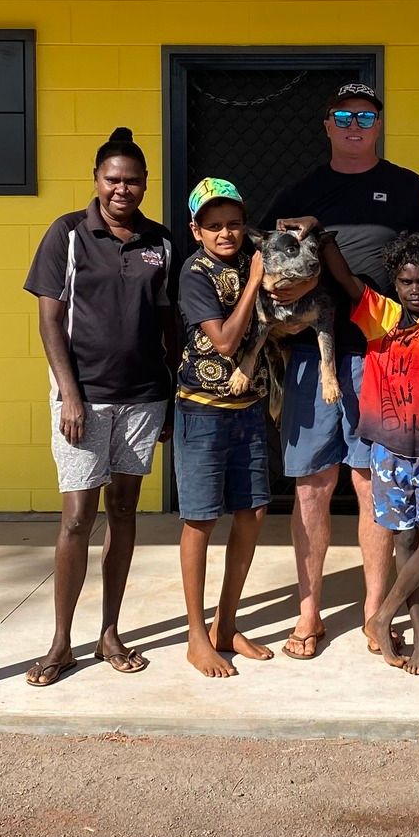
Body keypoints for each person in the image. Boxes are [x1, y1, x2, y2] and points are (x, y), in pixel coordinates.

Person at [264, 83, 419, 660]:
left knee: (373, 481)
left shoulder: (404, 186)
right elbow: (271, 265)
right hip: (311, 358)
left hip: (385, 356)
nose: (354, 124)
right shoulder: (301, 191)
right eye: (343, 115)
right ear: (327, 124)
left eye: (365, 116)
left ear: (379, 125)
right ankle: (309, 611)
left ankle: (377, 611)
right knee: (312, 485)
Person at [20, 127, 176, 686]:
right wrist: (69, 394)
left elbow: (168, 326)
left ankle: (110, 631)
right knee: (77, 518)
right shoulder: (66, 234)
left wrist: (172, 397)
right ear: (96, 180)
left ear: (144, 185)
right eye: (113, 179)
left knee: (125, 513)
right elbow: (48, 318)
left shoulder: (160, 241)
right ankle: (61, 642)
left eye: (133, 181)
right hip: (83, 401)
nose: (122, 189)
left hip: (143, 399)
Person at [319, 230, 419, 676]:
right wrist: (325, 239)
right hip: (388, 455)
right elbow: (346, 279)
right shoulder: (381, 318)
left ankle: (381, 615)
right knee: (405, 543)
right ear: (396, 283)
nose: (415, 289)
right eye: (407, 281)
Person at [172, 178, 278, 679]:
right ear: (196, 230)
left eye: (234, 223)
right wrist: (256, 280)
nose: (226, 233)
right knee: (200, 519)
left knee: (253, 512)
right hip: (202, 412)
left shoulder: (249, 257)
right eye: (213, 225)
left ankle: (226, 624)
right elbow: (226, 343)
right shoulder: (195, 274)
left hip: (249, 409)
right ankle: (196, 637)